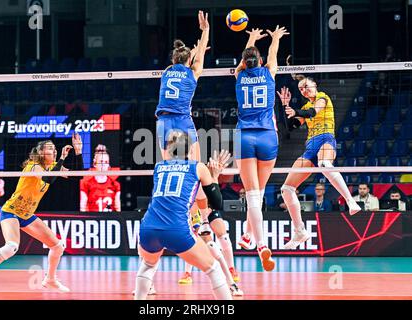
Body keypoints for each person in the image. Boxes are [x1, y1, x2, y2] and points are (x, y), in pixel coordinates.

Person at [0, 134, 84, 299]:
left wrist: (78, 152)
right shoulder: (33, 166)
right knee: (11, 246)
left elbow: (79, 176)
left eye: (55, 149)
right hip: (11, 211)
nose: (55, 151)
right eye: (50, 148)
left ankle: (50, 279)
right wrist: (63, 158)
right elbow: (49, 179)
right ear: (41, 152)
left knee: (58, 246)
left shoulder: (53, 167)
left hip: (27, 215)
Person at [135, 132, 233, 300]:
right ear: (191, 148)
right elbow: (217, 203)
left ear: (169, 149)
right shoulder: (198, 167)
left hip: (148, 227)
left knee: (148, 266)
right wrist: (214, 176)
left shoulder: (159, 167)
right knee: (213, 268)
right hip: (176, 228)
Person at [277, 76, 361, 250]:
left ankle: (350, 201)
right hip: (310, 147)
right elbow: (290, 127)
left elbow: (313, 112)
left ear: (314, 85)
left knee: (324, 165)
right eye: (300, 89)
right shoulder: (304, 107)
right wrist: (285, 106)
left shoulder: (323, 97)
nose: (304, 90)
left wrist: (297, 111)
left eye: (306, 86)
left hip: (325, 140)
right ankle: (300, 231)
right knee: (286, 189)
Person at [233, 26, 289, 271]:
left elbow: (243, 63)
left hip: (245, 136)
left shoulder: (240, 76)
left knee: (253, 195)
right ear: (261, 61)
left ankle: (261, 244)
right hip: (268, 136)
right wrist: (274, 38)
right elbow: (273, 55)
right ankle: (248, 237)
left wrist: (250, 38)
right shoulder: (269, 74)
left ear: (244, 63)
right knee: (259, 192)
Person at [155, 11, 211, 231]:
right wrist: (205, 31)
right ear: (190, 61)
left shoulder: (167, 71)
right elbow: (195, 61)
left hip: (164, 123)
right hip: (183, 121)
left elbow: (184, 59)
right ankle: (203, 219)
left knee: (170, 169)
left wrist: (194, 51)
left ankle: (186, 219)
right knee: (194, 168)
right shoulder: (193, 71)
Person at [80, 145, 121, 212]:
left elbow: (118, 208)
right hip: (93, 219)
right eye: (101, 162)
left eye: (106, 162)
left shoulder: (115, 184)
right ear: (95, 164)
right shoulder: (86, 184)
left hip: (111, 219)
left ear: (109, 165)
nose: (103, 165)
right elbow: (82, 207)